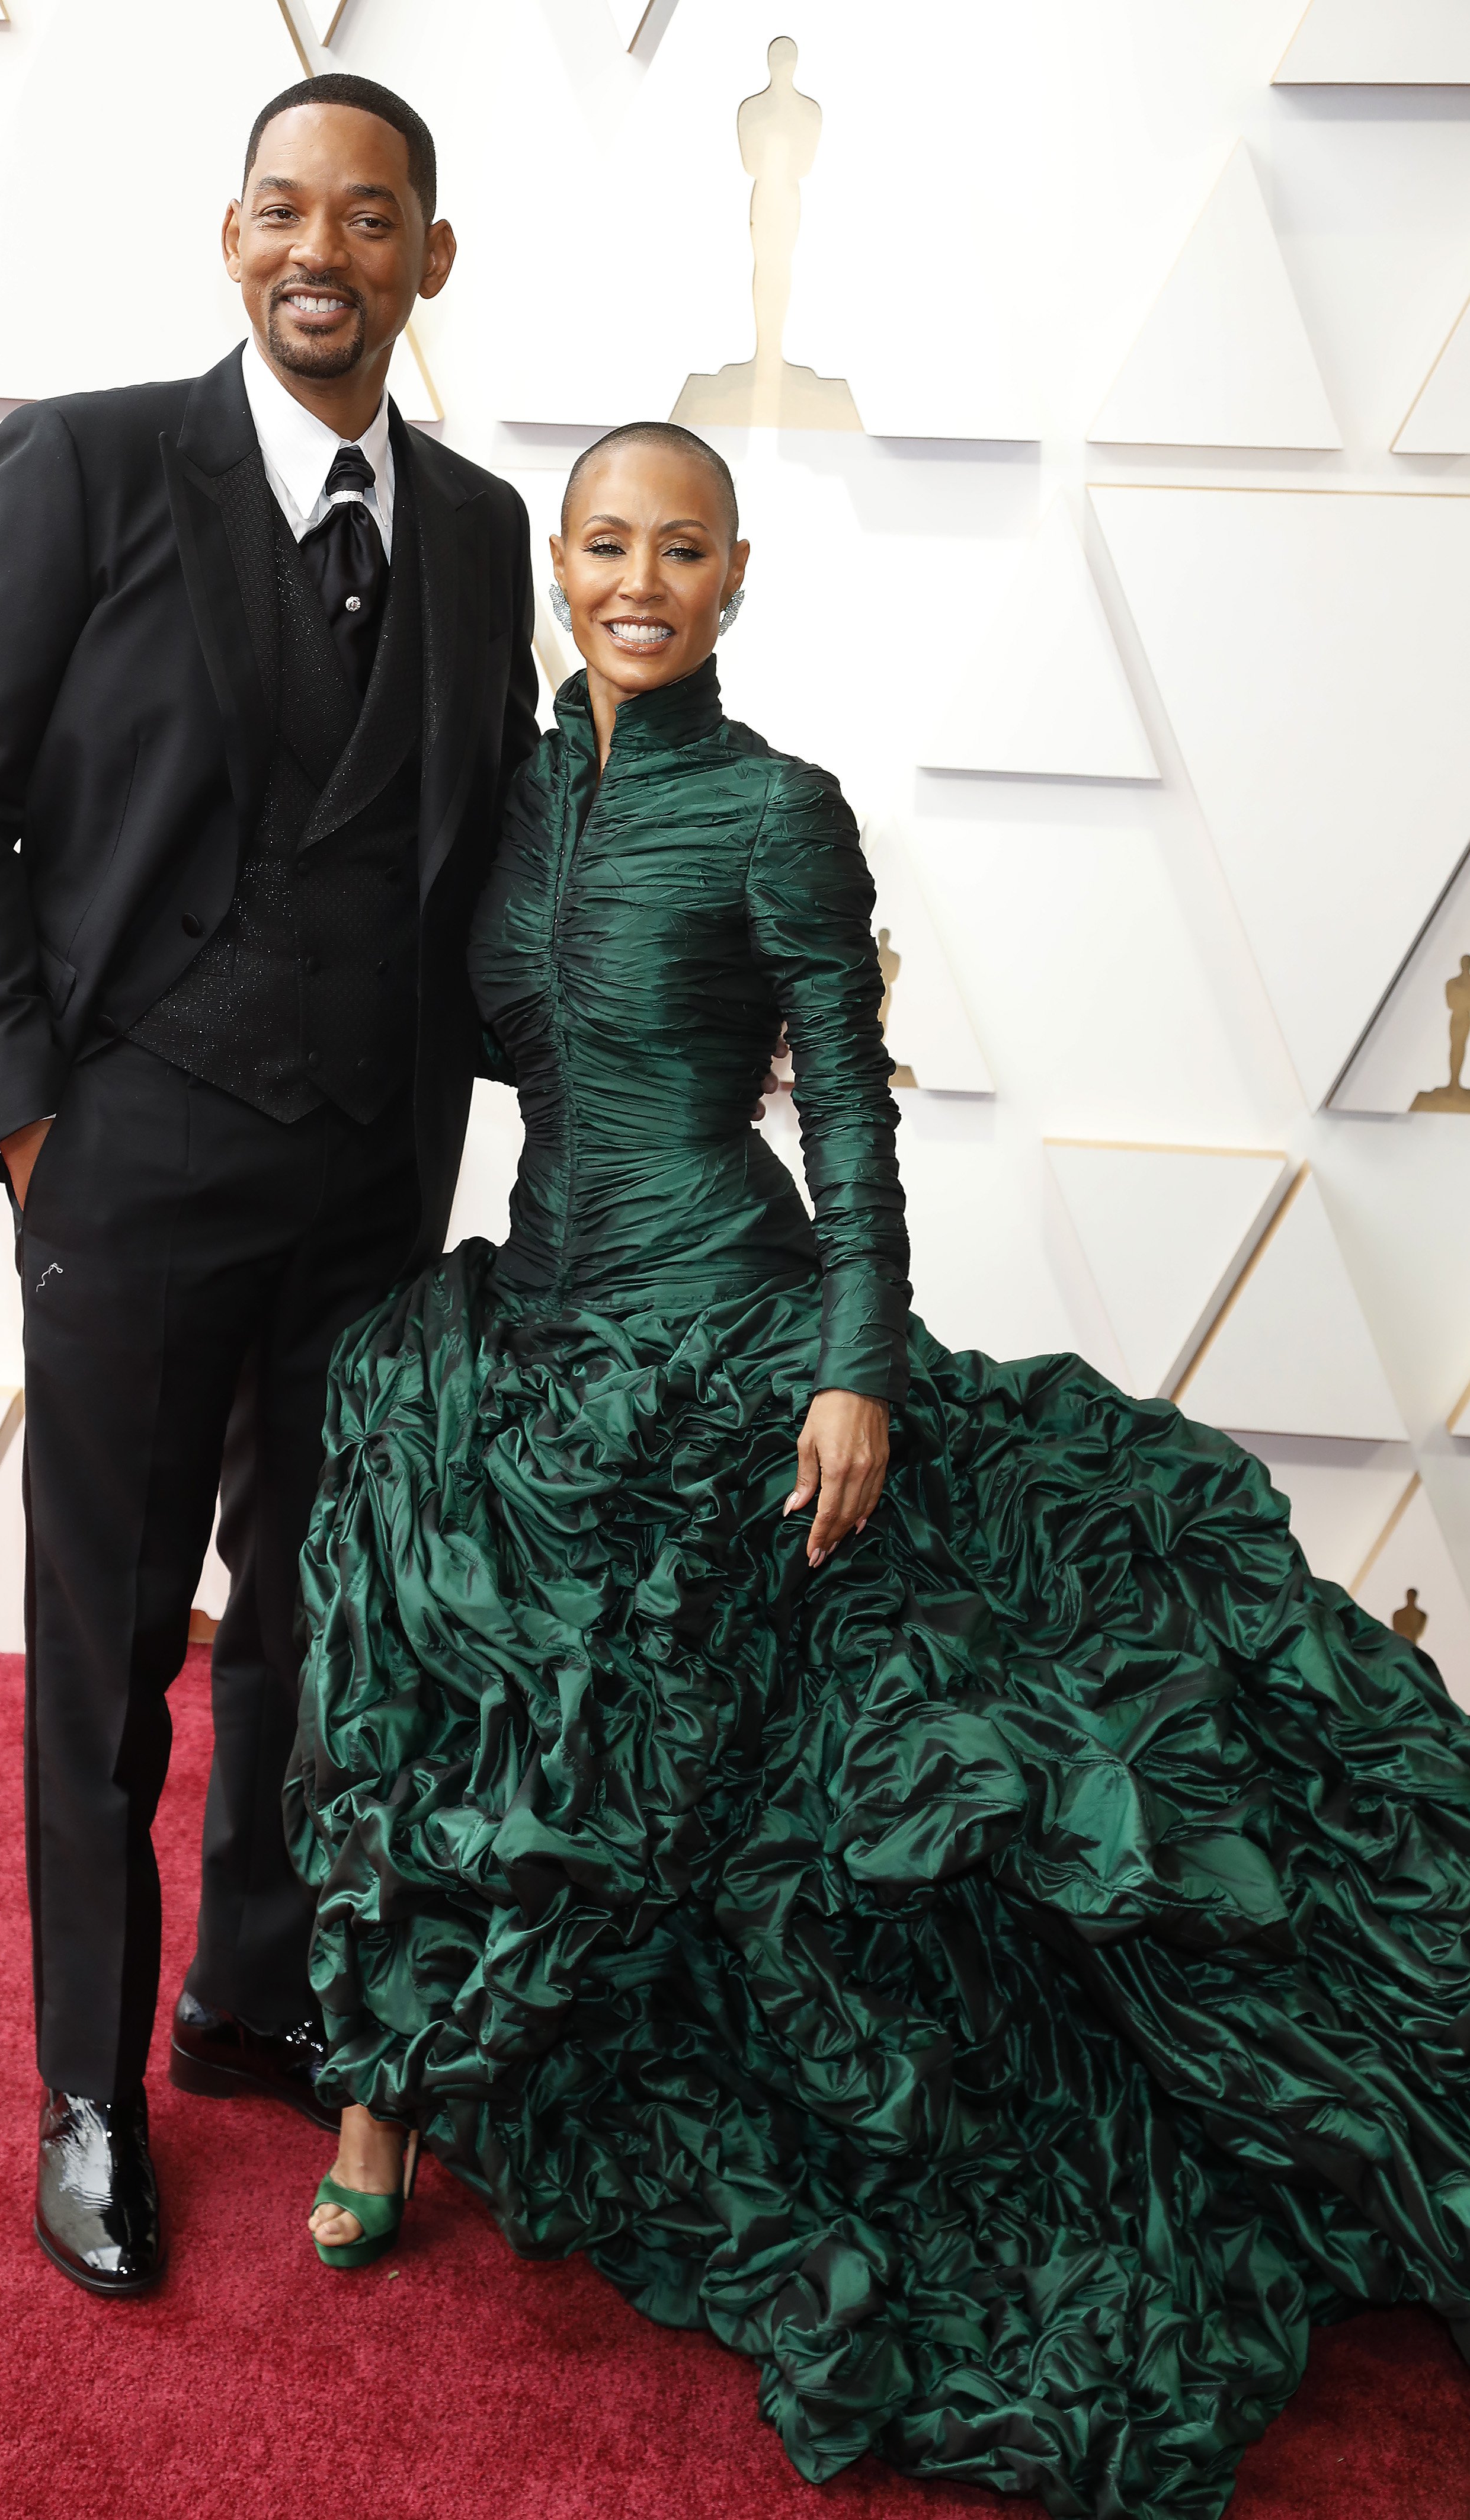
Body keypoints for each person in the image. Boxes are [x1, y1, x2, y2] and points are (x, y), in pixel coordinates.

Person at [286, 422, 1470, 2518]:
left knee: (827, 1780)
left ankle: (431, 2090)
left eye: (682, 550)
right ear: (556, 565)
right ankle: (378, 2099)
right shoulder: (504, 799)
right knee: (399, 1566)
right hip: (540, 1319)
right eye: (605, 545)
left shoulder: (776, 811)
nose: (639, 580)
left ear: (736, 577)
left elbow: (845, 1112)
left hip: (742, 1335)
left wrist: (855, 1372)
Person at [0, 73, 537, 2295]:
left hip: (367, 1173)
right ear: (230, 236)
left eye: (369, 214)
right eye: (281, 208)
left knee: (313, 1624)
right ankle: (87, 2084)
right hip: (133, 1159)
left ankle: (249, 1989)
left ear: (429, 259)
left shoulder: (473, 527)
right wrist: (36, 1112)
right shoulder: (80, 464)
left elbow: (473, 856)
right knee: (104, 1646)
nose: (319, 247)